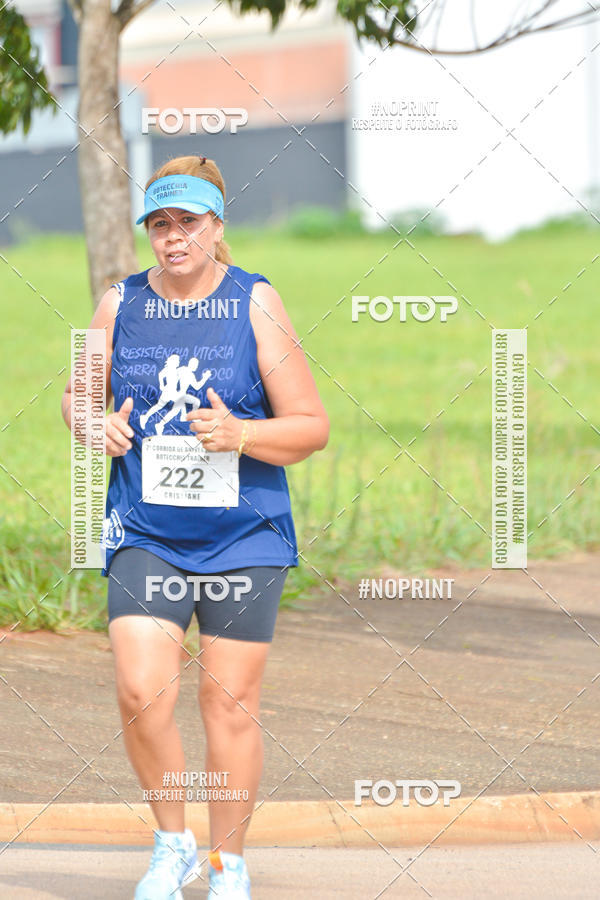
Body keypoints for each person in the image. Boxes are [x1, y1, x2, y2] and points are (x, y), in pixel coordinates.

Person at [61, 154, 329, 899]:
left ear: (216, 226)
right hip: (148, 532)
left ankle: (227, 862)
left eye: (188, 222)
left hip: (245, 535)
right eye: (160, 223)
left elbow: (311, 427)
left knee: (229, 704)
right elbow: (76, 398)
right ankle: (173, 842)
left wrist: (241, 434)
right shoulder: (119, 303)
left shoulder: (256, 302)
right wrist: (93, 426)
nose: (173, 237)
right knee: (140, 689)